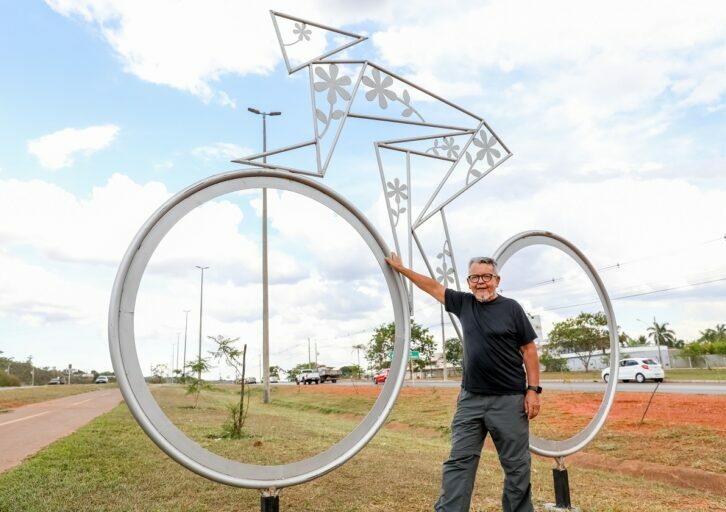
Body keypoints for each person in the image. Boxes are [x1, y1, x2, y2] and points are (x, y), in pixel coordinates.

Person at [385, 253, 541, 512]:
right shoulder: (464, 303)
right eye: (474, 277)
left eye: (486, 277)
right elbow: (433, 286)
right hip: (471, 400)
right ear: (469, 281)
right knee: (459, 462)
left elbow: (529, 350)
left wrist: (533, 391)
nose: (481, 282)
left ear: (497, 279)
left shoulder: (511, 308)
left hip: (509, 400)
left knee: (517, 467)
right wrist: (401, 269)